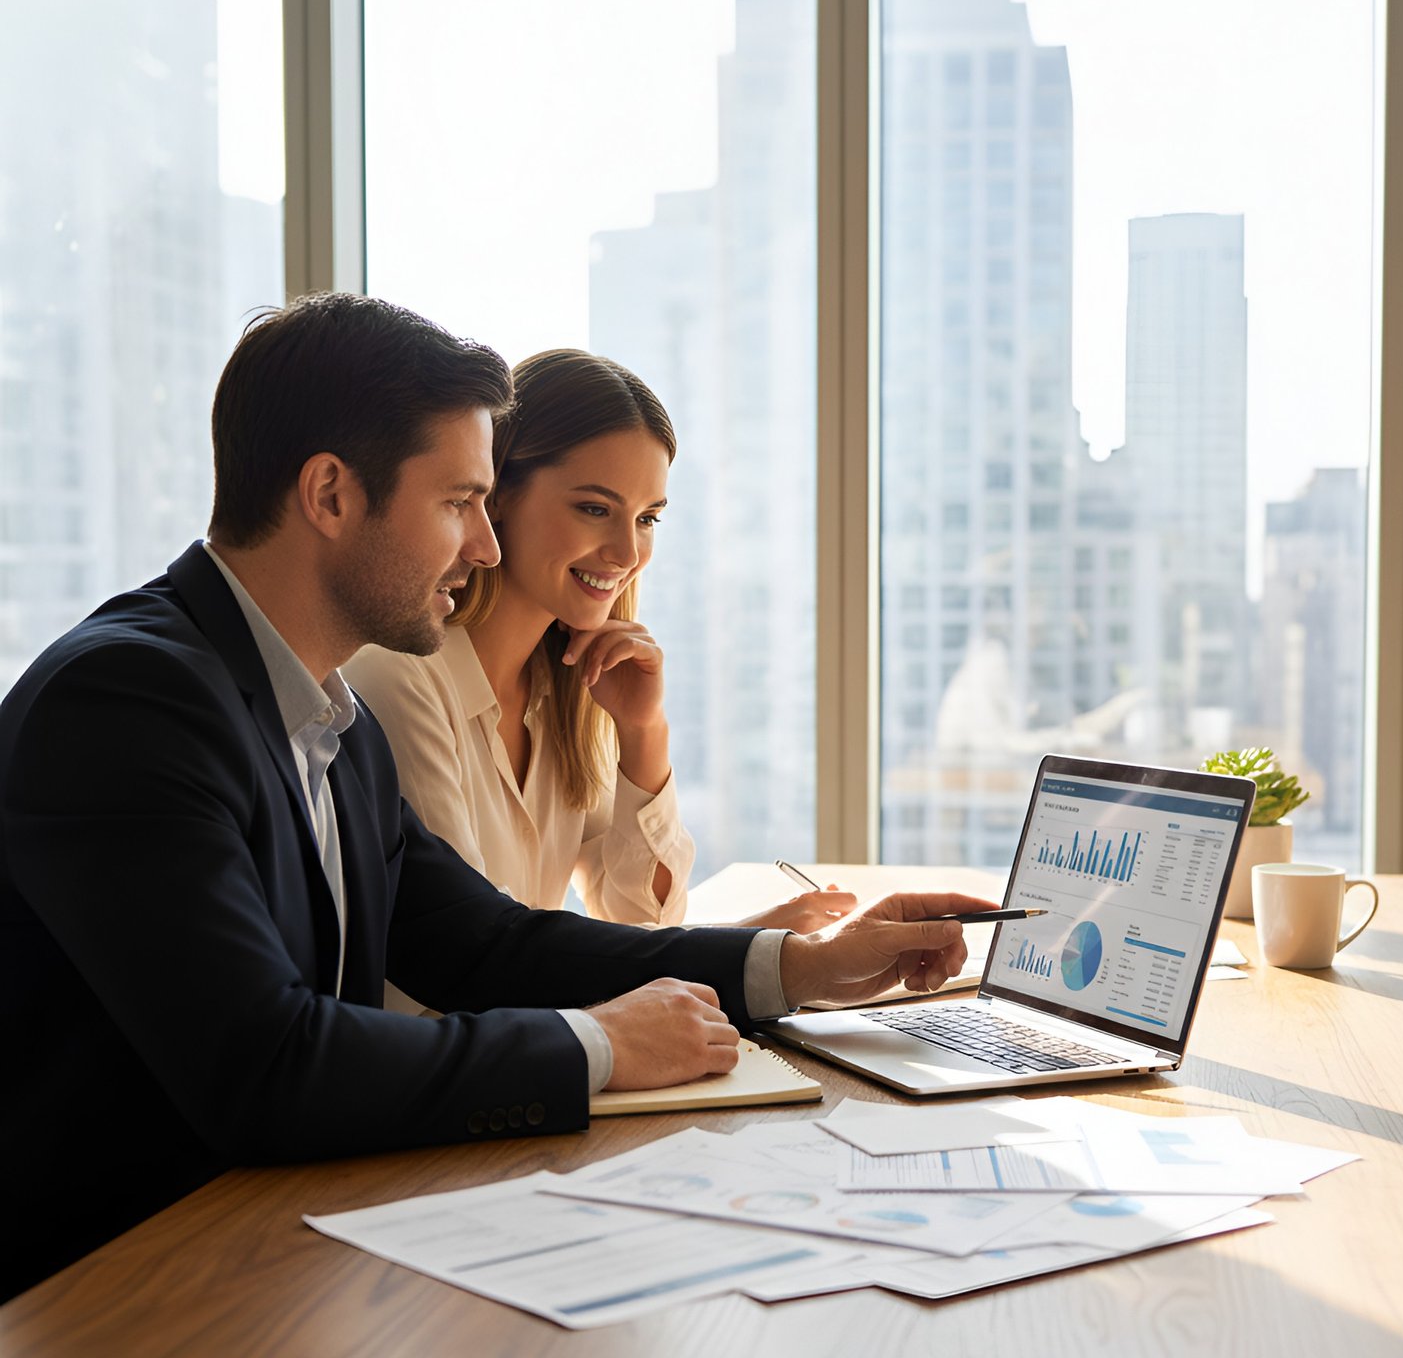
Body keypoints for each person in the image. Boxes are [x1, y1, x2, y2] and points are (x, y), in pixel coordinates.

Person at [0, 294, 983, 1300]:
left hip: (263, 1253)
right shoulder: (128, 702)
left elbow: (489, 946)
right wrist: (599, 1041)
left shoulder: (325, 716)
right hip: (114, 1298)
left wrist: (803, 970)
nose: (484, 546)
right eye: (458, 502)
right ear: (332, 495)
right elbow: (266, 1065)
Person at [345, 348, 851, 936]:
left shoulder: (567, 689)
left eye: (647, 518)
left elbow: (639, 919)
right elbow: (475, 960)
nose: (627, 553)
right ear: (498, 494)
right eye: (594, 508)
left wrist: (643, 732)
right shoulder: (401, 678)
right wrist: (750, 953)